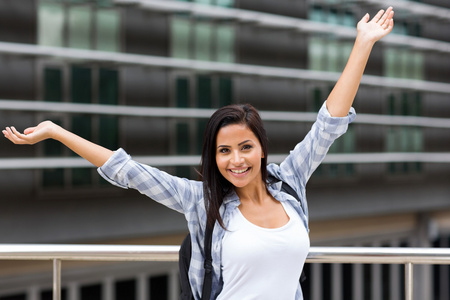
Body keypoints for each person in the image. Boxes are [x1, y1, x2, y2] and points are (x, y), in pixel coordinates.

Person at [3, 7, 394, 300]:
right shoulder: (202, 200)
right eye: (223, 151)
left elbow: (329, 123)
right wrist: (57, 132)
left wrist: (362, 44)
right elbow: (126, 170)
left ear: (261, 149)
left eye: (245, 147)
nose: (235, 159)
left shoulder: (290, 183)